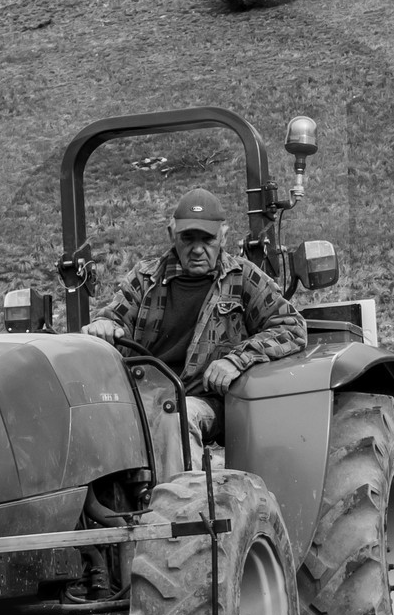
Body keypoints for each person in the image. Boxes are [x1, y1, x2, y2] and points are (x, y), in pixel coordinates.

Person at [86, 187, 307, 460]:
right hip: (144, 396)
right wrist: (102, 326)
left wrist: (236, 360)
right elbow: (113, 318)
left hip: (208, 402)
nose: (198, 249)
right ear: (172, 235)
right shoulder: (144, 279)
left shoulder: (243, 278)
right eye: (188, 239)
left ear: (223, 237)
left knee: (177, 415)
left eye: (208, 239)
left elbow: (291, 327)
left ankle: (181, 501)